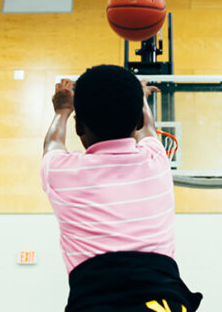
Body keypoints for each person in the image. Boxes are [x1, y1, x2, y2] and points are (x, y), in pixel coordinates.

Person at [42, 64, 202, 312]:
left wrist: (62, 110)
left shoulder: (60, 171)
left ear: (78, 127)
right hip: (165, 303)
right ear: (137, 119)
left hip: (95, 303)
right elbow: (148, 128)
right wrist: (142, 97)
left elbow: (53, 143)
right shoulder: (156, 161)